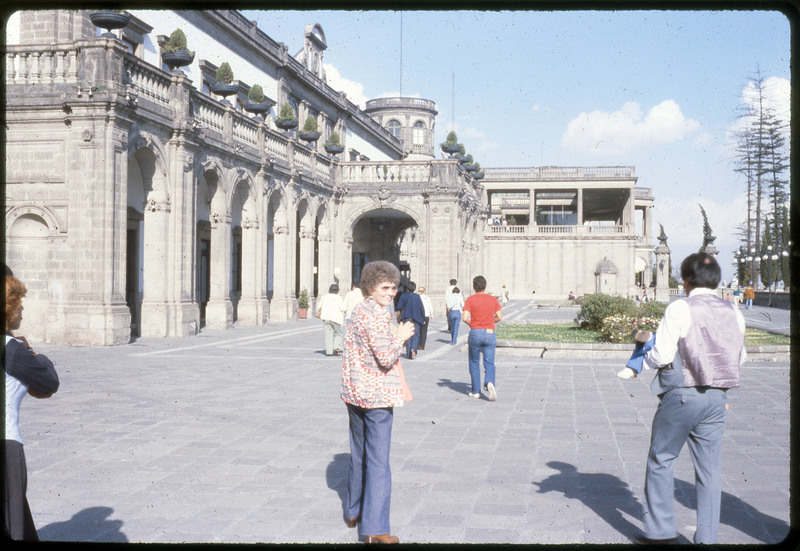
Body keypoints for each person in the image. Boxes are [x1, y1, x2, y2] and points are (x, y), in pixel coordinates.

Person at [633, 252, 745, 545]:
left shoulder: (680, 308)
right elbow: (740, 356)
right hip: (717, 399)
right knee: (710, 470)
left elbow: (662, 355)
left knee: (662, 458)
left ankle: (661, 531)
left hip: (682, 395)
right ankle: (707, 537)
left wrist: (644, 352)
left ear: (685, 280)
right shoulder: (734, 311)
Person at [341, 261, 414, 544]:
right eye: (385, 287)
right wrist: (401, 337)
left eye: (394, 287)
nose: (391, 292)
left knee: (358, 454)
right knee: (379, 462)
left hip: (354, 393)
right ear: (371, 288)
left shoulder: (358, 310)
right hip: (376, 396)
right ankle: (374, 529)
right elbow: (385, 357)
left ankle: (353, 510)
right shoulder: (377, 315)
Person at [4, 274, 60, 541]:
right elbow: (49, 382)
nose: (22, 310)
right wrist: (36, 355)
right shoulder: (13, 350)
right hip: (6, 447)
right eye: (17, 305)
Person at [462, 275, 502, 401]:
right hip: (490, 332)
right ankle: (489, 382)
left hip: (475, 332)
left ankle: (475, 391)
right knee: (489, 362)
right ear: (485, 286)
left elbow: (464, 317)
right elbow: (500, 316)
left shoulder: (470, 300)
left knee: (474, 362)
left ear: (474, 287)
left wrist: (472, 323)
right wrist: (490, 321)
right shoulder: (492, 299)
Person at [395, 281, 426, 359]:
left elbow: (399, 307)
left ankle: (409, 353)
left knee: (408, 334)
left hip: (406, 317)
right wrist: (423, 318)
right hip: (416, 317)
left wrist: (398, 316)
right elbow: (421, 308)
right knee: (416, 334)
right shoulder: (417, 297)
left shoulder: (403, 295)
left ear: (407, 288)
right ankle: (414, 349)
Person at [317, 284, 346, 356]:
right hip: (335, 319)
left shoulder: (324, 297)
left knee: (328, 335)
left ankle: (329, 352)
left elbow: (319, 306)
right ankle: (336, 347)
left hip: (326, 318)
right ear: (337, 290)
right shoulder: (338, 297)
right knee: (338, 334)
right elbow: (343, 308)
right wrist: (346, 309)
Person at [417, 286, 433, 351]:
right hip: (426, 315)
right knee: (424, 330)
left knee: (418, 330)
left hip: (418, 316)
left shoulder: (417, 298)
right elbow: (430, 307)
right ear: (424, 291)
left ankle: (418, 344)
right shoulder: (427, 298)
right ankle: (422, 345)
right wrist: (431, 315)